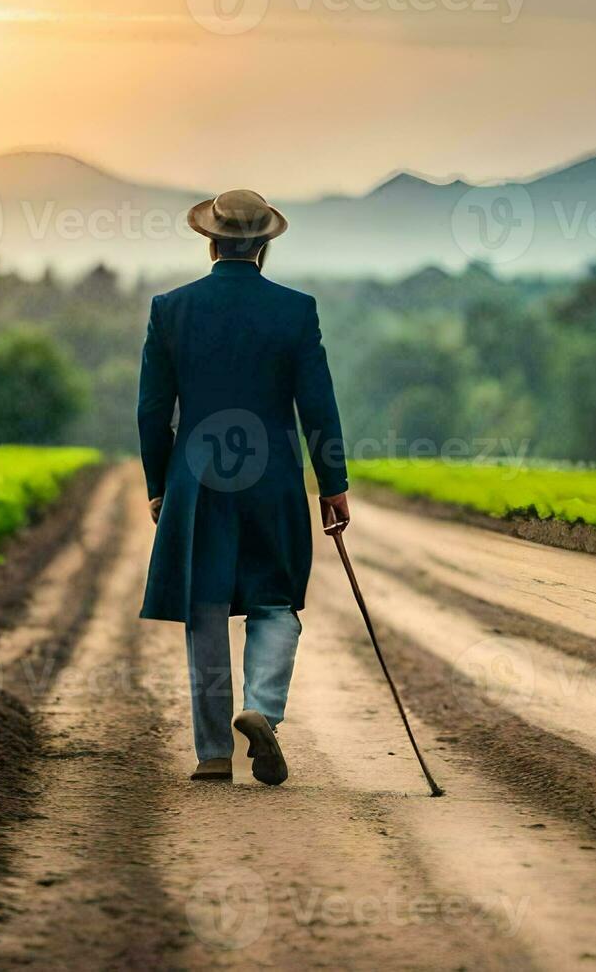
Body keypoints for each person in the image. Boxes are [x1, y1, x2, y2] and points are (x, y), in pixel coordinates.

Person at [137, 189, 350, 786]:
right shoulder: (295, 310)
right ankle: (261, 709)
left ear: (211, 240)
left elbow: (153, 411)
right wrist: (332, 483)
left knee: (204, 606)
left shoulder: (170, 308)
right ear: (264, 246)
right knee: (274, 601)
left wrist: (159, 485)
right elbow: (318, 406)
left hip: (196, 478)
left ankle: (212, 754)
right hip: (273, 479)